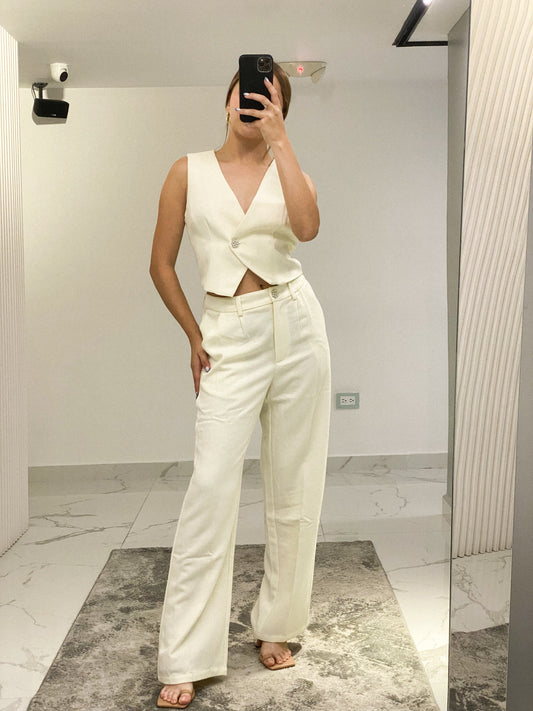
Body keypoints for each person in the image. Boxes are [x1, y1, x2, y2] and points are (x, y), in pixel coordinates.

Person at [149, 60, 331, 709]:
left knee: (295, 482)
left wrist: (282, 141)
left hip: (297, 325)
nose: (253, 101)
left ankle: (278, 623)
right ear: (227, 98)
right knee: (210, 487)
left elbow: (307, 229)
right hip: (228, 328)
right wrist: (192, 334)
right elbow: (160, 263)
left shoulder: (290, 168)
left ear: (280, 108)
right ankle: (186, 653)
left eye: (269, 96)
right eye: (246, 90)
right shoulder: (187, 171)